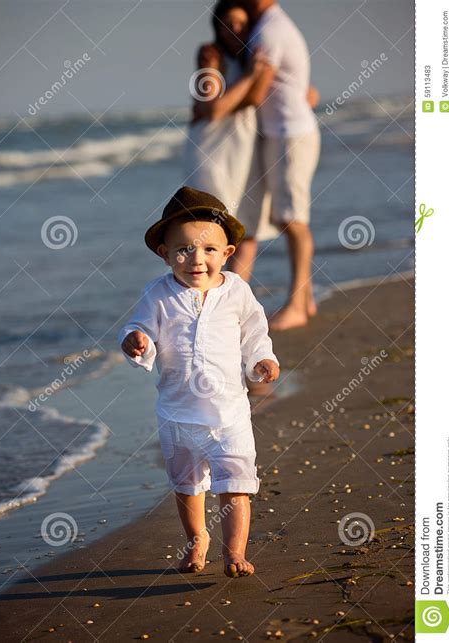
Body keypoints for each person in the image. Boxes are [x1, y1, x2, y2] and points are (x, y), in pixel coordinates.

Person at [118, 186, 280, 578]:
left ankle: (234, 553)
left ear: (227, 253)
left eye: (209, 250)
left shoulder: (236, 291)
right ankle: (197, 541)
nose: (196, 259)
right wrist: (136, 340)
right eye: (184, 249)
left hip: (230, 413)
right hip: (178, 413)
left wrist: (262, 359)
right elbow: (139, 326)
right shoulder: (157, 294)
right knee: (187, 486)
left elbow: (255, 332)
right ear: (164, 253)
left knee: (236, 482)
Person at [230, 0, 322, 330]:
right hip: (280, 133)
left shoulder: (270, 29)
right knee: (286, 217)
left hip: (290, 134)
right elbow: (305, 89)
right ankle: (305, 300)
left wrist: (213, 109)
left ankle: (296, 304)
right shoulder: (268, 25)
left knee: (293, 219)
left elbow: (256, 93)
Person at [182, 0, 279, 248]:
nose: (235, 29)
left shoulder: (254, 56)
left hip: (244, 152)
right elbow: (214, 110)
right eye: (228, 24)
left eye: (242, 23)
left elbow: (257, 97)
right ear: (218, 27)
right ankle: (201, 286)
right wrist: (250, 76)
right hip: (210, 151)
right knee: (210, 228)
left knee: (247, 229)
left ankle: (237, 288)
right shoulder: (210, 54)